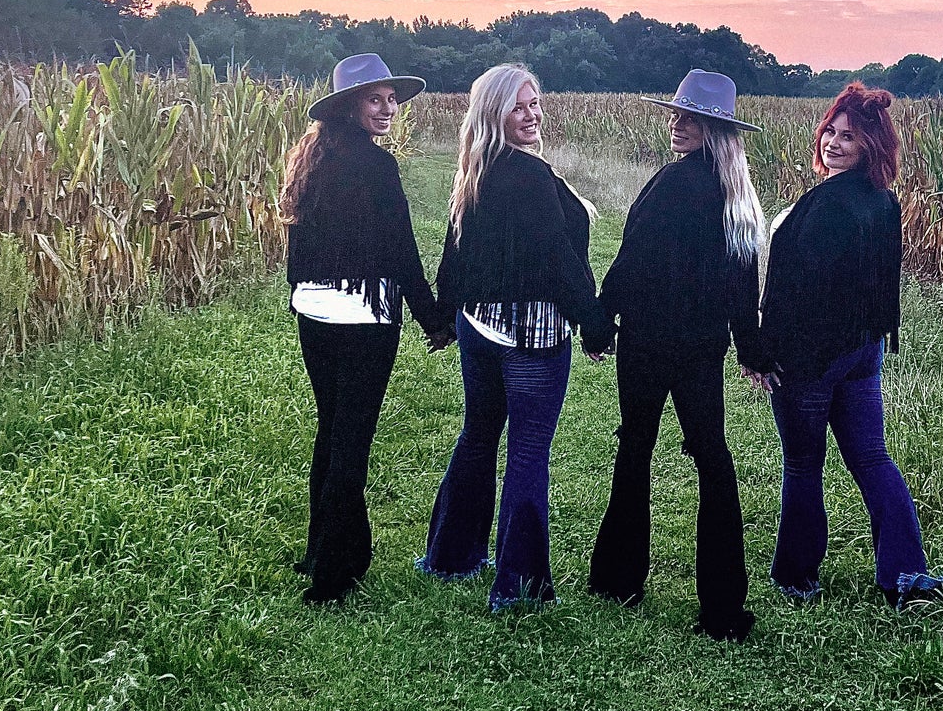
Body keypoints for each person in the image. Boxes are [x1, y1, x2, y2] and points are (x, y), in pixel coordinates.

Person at [584, 70, 764, 642]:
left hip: (648, 343)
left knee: (636, 446)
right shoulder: (736, 195)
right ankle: (723, 609)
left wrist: (597, 318)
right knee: (713, 461)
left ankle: (619, 579)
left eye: (689, 118)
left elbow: (632, 259)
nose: (676, 125)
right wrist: (752, 348)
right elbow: (744, 287)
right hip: (702, 348)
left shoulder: (673, 184)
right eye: (675, 115)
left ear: (714, 129)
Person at [418, 65, 602, 611]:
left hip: (479, 331)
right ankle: (518, 587)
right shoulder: (527, 175)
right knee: (525, 452)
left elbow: (455, 252)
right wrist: (594, 324)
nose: (532, 115)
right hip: (532, 339)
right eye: (518, 106)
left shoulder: (475, 170)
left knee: (478, 435)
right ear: (493, 112)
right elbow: (559, 262)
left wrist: (446, 314)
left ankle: (452, 555)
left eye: (536, 103)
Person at [756, 82, 943, 607]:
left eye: (849, 137)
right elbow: (885, 282)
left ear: (871, 146)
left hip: (812, 361)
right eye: (831, 133)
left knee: (802, 464)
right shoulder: (885, 202)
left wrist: (764, 353)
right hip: (864, 352)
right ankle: (907, 575)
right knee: (872, 459)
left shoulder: (823, 207)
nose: (833, 144)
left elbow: (796, 295)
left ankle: (797, 579)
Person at [283, 52, 439, 606]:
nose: (387, 109)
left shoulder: (311, 162)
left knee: (331, 429)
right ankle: (332, 574)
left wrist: (301, 296)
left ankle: (321, 547)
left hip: (315, 312)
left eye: (391, 99)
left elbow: (296, 245)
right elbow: (401, 250)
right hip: (364, 317)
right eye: (375, 99)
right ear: (350, 106)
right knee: (352, 439)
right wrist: (432, 317)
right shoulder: (377, 167)